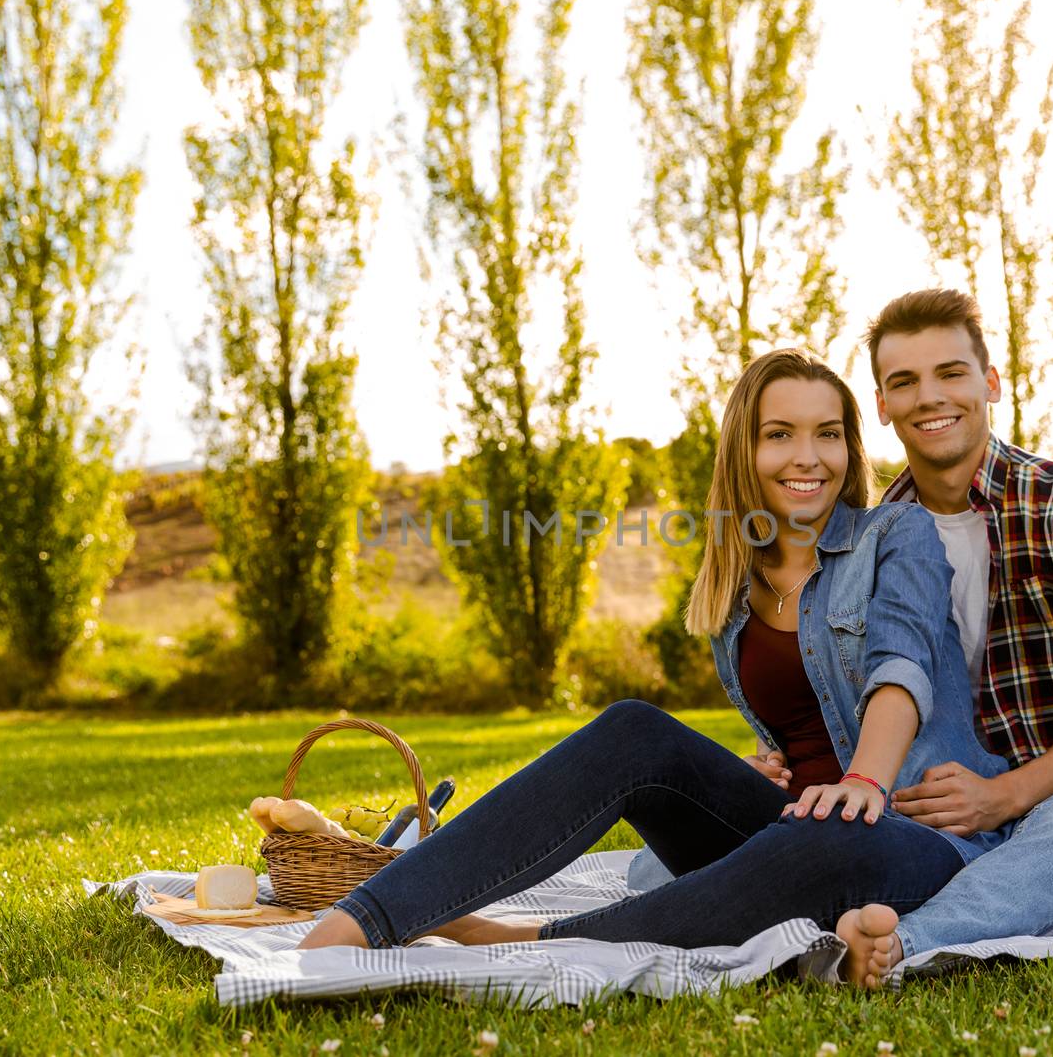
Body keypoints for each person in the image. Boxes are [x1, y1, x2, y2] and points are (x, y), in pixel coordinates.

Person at [297, 347, 1011, 988]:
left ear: (850, 447)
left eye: (829, 433)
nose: (810, 456)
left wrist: (862, 780)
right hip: (793, 826)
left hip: (908, 835)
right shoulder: (737, 588)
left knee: (828, 833)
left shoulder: (896, 531)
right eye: (780, 434)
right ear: (744, 450)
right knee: (636, 731)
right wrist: (759, 768)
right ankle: (367, 915)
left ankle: (527, 937)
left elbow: (901, 664)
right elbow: (801, 721)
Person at [630, 288, 1053, 988]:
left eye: (950, 372)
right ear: (881, 405)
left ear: (990, 382)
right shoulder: (866, 535)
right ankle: (860, 907)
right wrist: (772, 762)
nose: (929, 397)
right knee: (652, 862)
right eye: (903, 381)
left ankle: (898, 941)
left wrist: (1001, 795)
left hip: (1041, 813)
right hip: (906, 820)